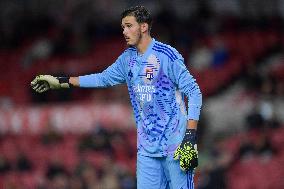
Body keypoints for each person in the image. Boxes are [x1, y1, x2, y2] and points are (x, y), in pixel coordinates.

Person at [31, 5, 202, 189]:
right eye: (123, 27)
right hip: (147, 149)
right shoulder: (127, 60)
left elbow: (194, 91)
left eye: (129, 26)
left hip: (175, 145)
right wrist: (60, 81)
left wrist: (190, 136)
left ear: (143, 27)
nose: (125, 31)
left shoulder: (167, 55)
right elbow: (102, 78)